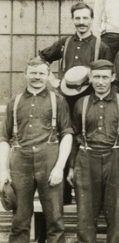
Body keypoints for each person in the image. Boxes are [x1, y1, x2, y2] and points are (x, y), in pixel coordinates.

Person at [0, 58, 73, 243]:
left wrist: (59, 167)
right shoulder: (13, 102)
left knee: (55, 218)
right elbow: (4, 139)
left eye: (41, 73)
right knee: (20, 218)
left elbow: (67, 134)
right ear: (25, 75)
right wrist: (3, 170)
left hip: (49, 158)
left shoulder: (59, 101)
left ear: (48, 76)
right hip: (20, 160)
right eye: (33, 73)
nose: (37, 77)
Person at [67, 60, 119, 243]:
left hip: (116, 158)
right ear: (90, 79)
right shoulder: (81, 103)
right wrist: (71, 167)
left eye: (104, 77)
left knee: (117, 215)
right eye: (96, 77)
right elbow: (74, 136)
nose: (100, 82)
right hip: (86, 159)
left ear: (113, 78)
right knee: (85, 215)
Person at [39, 2, 112, 107]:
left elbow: (109, 75)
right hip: (65, 99)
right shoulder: (64, 42)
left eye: (85, 18)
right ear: (72, 19)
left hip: (90, 101)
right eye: (77, 18)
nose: (81, 22)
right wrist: (53, 80)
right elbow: (40, 60)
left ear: (92, 19)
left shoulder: (101, 47)